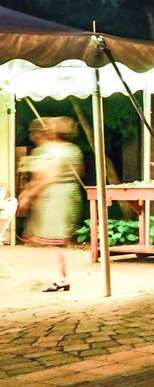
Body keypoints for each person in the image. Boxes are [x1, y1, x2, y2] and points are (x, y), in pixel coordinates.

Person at [18, 116, 84, 292]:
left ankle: (61, 277)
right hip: (69, 192)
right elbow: (80, 171)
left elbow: (49, 176)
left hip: (55, 196)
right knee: (49, 238)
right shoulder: (73, 149)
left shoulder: (53, 151)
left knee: (54, 240)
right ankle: (55, 275)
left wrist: (29, 194)